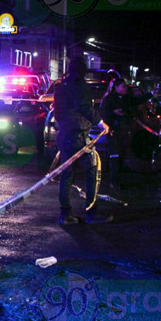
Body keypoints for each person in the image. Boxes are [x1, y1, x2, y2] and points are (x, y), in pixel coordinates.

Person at [54, 57, 111, 225]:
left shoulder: (61, 87)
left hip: (64, 134)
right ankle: (92, 213)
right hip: (78, 135)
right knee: (93, 169)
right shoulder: (80, 86)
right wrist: (101, 124)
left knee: (67, 173)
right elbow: (85, 107)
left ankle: (65, 215)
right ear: (83, 71)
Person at [99, 78, 154, 189]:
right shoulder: (109, 99)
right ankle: (113, 181)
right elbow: (102, 113)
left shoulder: (126, 99)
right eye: (123, 86)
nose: (125, 89)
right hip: (113, 130)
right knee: (114, 155)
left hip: (124, 131)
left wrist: (151, 94)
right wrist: (113, 112)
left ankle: (118, 178)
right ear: (116, 87)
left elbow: (138, 100)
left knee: (121, 154)